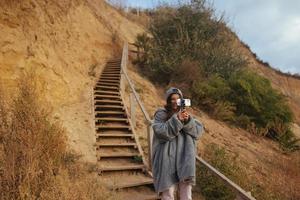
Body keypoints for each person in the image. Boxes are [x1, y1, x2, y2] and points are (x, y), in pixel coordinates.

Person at [152, 87, 204, 200]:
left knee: (186, 195)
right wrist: (177, 119)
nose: (175, 102)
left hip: (184, 159)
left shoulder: (187, 116)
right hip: (167, 159)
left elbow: (198, 132)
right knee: (168, 195)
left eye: (178, 99)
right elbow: (160, 131)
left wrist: (187, 121)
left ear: (182, 100)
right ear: (168, 101)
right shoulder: (161, 114)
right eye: (172, 99)